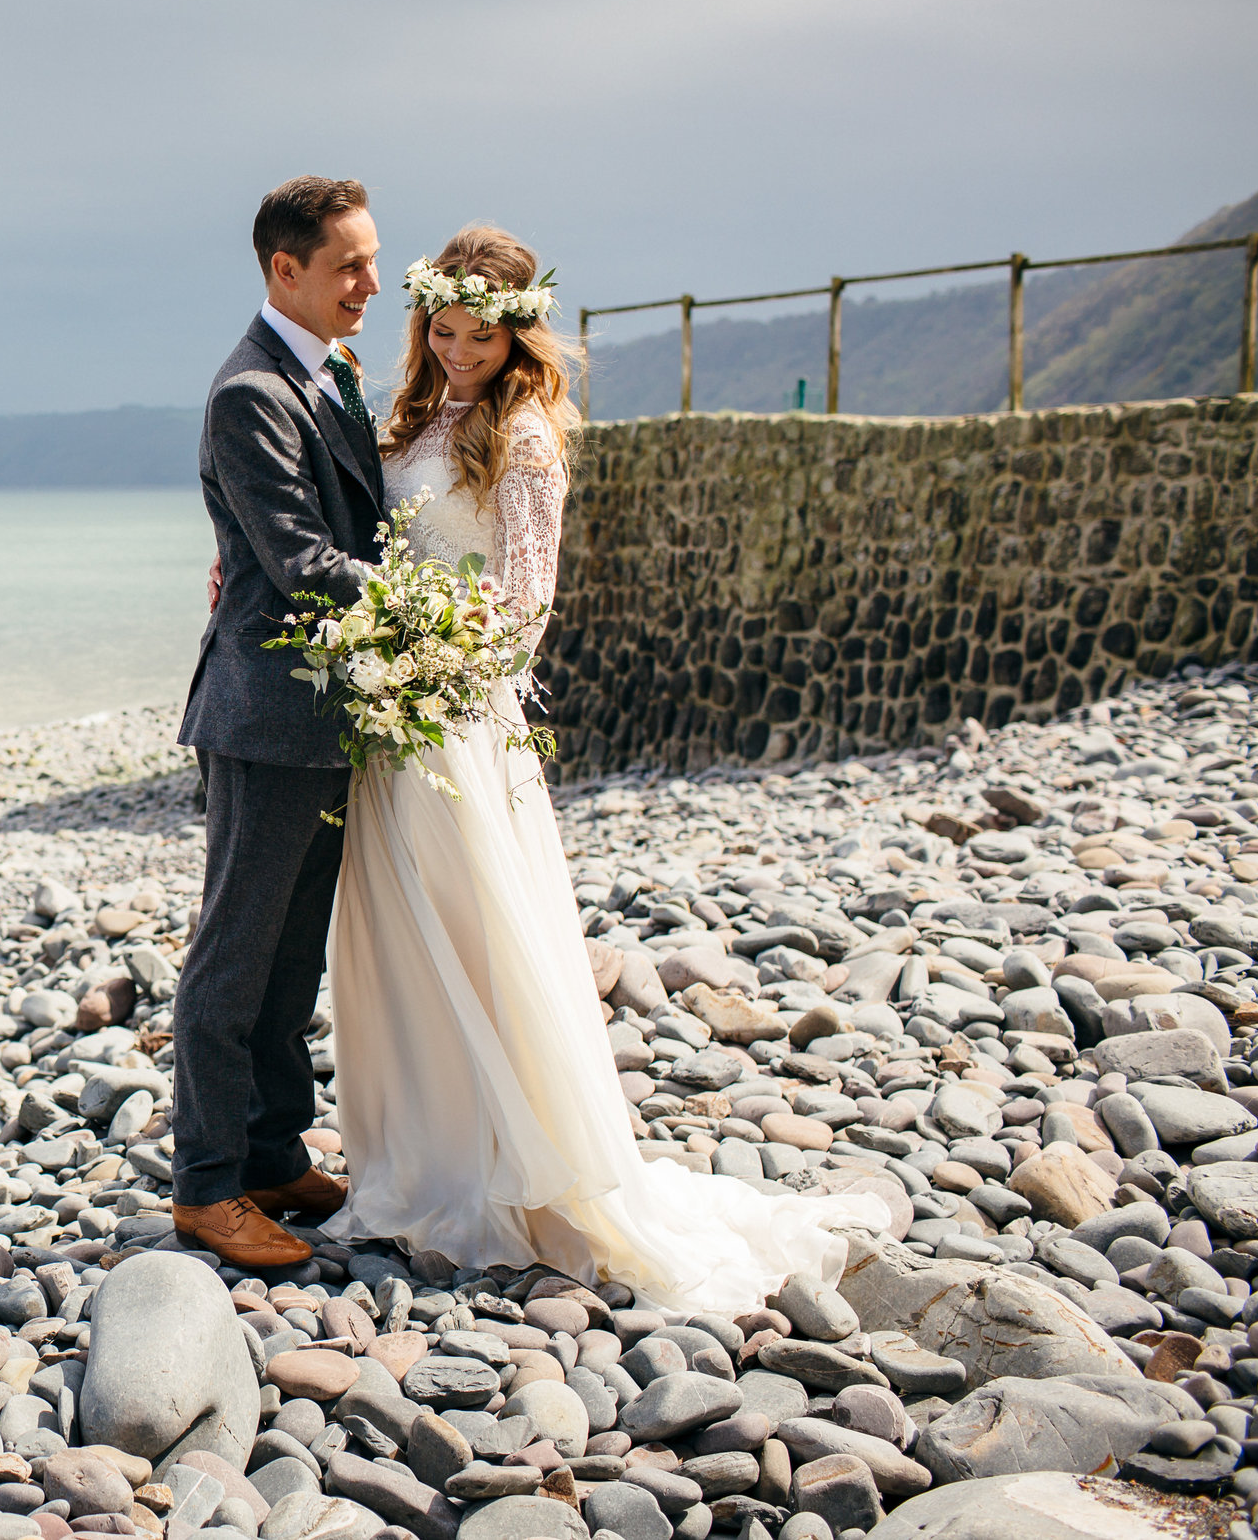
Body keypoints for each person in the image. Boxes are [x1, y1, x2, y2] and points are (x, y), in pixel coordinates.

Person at [321, 224, 886, 1309]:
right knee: (397, 936)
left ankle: (506, 1168)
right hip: (389, 717)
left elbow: (526, 602)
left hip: (457, 718)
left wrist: (438, 677)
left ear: (518, 330)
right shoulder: (407, 412)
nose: (458, 354)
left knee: (475, 932)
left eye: (479, 338)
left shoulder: (524, 433)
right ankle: (409, 1159)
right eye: (441, 332)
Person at [170, 176, 387, 1268]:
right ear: (283, 270)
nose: (371, 282)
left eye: (371, 258)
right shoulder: (251, 392)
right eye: (348, 263)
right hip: (264, 715)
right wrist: (435, 603)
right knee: (232, 959)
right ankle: (206, 1185)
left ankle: (269, 1150)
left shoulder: (331, 373)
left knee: (292, 957)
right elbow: (301, 560)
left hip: (330, 713)